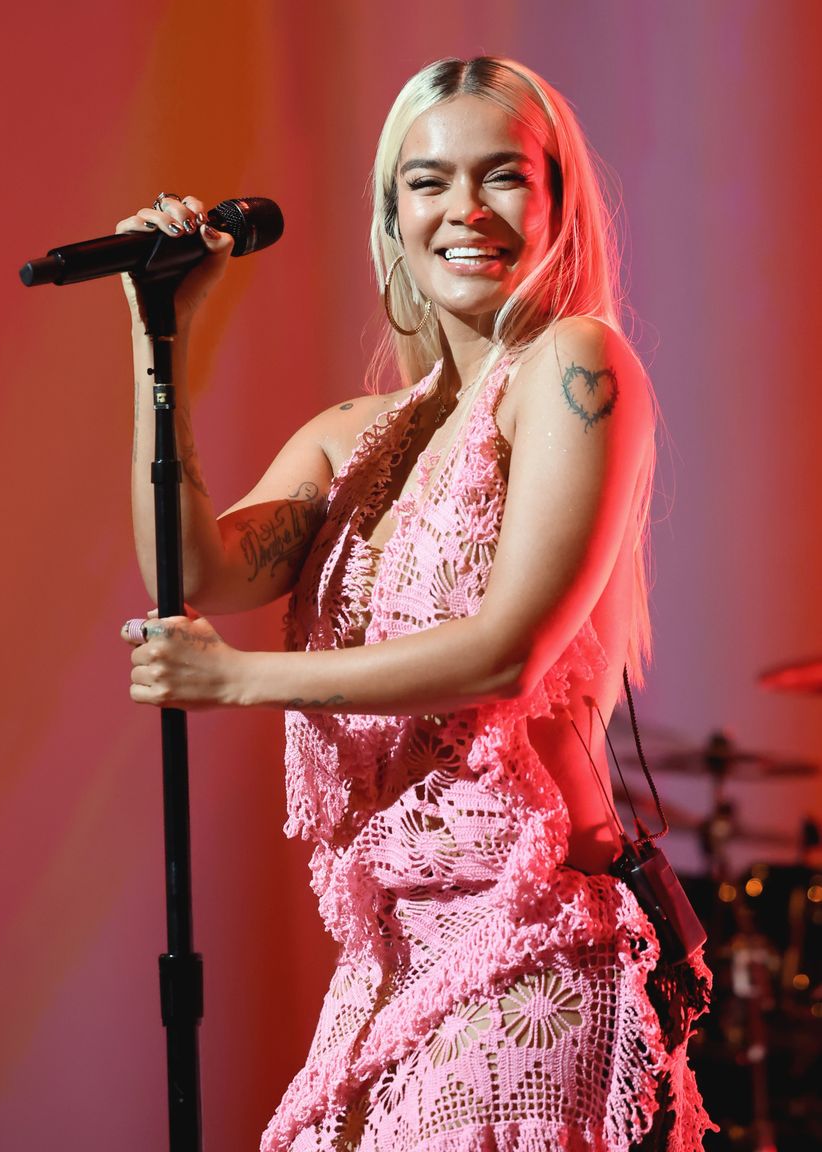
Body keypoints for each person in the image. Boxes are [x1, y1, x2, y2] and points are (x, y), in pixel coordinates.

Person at [119, 57, 712, 1152]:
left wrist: (238, 680)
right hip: (389, 958)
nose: (464, 210)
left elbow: (506, 651)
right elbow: (196, 570)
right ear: (392, 214)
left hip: (528, 938)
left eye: (503, 178)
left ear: (557, 204)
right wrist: (162, 340)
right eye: (427, 181)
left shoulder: (573, 367)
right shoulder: (359, 435)